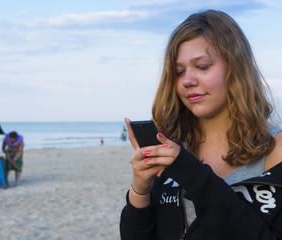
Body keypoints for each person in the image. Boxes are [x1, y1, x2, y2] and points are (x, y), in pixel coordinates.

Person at [120, 9, 282, 239]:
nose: (188, 80)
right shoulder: (173, 145)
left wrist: (191, 172)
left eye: (203, 66)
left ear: (236, 68)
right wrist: (139, 191)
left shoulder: (276, 151)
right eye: (179, 71)